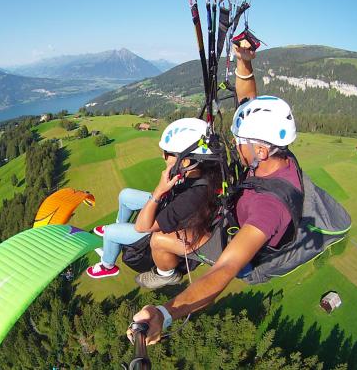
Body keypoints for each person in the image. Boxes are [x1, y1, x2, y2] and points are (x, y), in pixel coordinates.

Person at [128, 43, 302, 345]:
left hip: (234, 245)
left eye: (240, 142)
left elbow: (225, 270)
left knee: (157, 238)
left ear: (260, 149)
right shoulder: (272, 156)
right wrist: (244, 63)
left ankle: (167, 274)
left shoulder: (269, 208)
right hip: (231, 216)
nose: (235, 146)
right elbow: (249, 100)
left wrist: (165, 313)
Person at [86, 117, 222, 280]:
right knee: (125, 195)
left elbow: (142, 227)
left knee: (110, 232)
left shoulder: (192, 196)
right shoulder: (201, 171)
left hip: (162, 231)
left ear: (185, 161)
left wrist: (159, 191)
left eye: (167, 153)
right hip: (171, 208)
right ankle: (120, 228)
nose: (163, 156)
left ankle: (107, 265)